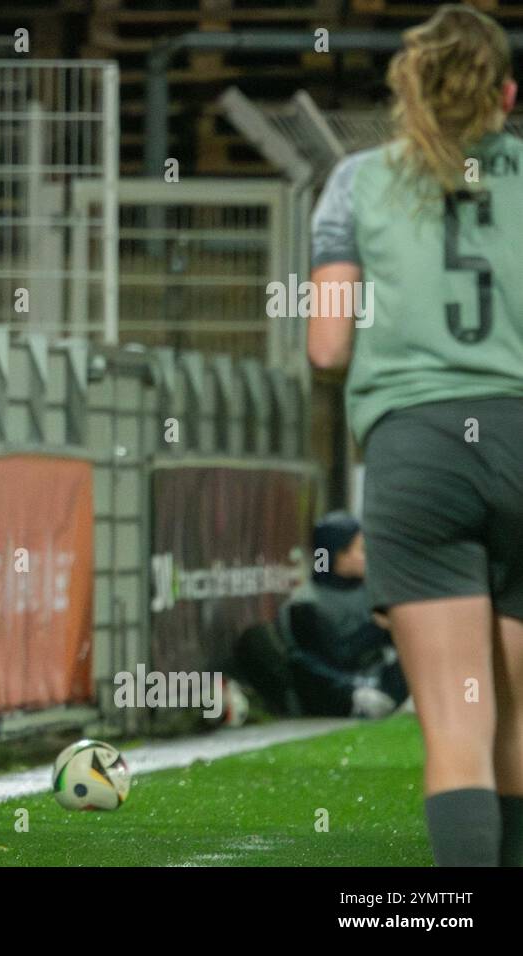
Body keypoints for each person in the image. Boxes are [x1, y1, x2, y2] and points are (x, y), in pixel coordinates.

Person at [308, 4, 523, 866]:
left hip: (418, 448)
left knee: (459, 730)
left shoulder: (358, 181)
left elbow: (326, 345)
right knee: (517, 730)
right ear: (506, 94)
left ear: (408, 93)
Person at [279, 512, 408, 718]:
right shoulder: (306, 602)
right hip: (338, 691)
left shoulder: (374, 590)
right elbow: (334, 657)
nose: (369, 557)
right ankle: (361, 700)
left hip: (379, 681)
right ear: (339, 554)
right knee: (300, 662)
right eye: (362, 550)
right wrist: (376, 627)